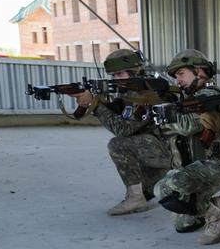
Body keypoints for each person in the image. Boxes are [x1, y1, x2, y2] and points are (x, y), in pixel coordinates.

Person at [153, 49, 220, 244]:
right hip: (197, 165)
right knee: (183, 223)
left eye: (181, 74)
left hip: (216, 166)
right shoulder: (192, 97)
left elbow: (187, 126)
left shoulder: (210, 97)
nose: (178, 81)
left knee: (164, 189)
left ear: (200, 72)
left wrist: (161, 111)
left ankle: (218, 219)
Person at [70, 49, 174, 217]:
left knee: (118, 144)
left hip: (171, 152)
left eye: (120, 74)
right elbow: (120, 110)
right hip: (159, 145)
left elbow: (123, 129)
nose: (117, 79)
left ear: (134, 71)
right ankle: (152, 187)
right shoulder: (131, 89)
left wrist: (95, 105)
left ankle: (135, 198)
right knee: (149, 189)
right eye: (114, 75)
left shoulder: (145, 92)